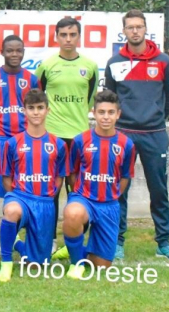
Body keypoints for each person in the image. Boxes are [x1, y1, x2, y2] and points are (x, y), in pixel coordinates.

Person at [103, 9, 169, 260]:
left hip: (154, 134)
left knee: (158, 189)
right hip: (123, 134)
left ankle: (163, 243)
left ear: (146, 29)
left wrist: (155, 116)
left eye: (139, 26)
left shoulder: (163, 61)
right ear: (124, 31)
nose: (135, 31)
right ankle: (117, 242)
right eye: (130, 27)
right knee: (119, 190)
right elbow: (110, 98)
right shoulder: (115, 62)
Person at [35, 17, 98, 259]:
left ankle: (75, 241)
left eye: (73, 35)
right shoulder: (47, 66)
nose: (68, 39)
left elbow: (89, 99)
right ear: (57, 37)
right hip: (52, 138)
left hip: (80, 138)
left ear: (79, 36)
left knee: (79, 192)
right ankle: (49, 240)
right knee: (50, 191)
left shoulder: (90, 66)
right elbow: (37, 98)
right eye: (64, 35)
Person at [62, 90, 136, 279]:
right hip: (84, 199)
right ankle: (76, 263)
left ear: (118, 114)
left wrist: (113, 196)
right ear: (93, 113)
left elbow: (125, 177)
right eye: (101, 112)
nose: (106, 117)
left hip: (109, 205)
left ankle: (75, 247)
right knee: (73, 213)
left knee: (101, 267)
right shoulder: (80, 140)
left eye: (111, 112)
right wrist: (79, 195)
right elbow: (72, 173)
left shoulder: (127, 144)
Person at [0, 89, 66, 282]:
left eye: (40, 108)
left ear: (47, 110)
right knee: (11, 211)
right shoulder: (12, 143)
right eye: (31, 108)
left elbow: (59, 178)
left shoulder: (58, 144)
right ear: (24, 111)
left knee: (37, 265)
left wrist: (47, 196)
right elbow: (7, 178)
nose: (36, 112)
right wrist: (16, 197)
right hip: (20, 197)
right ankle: (6, 263)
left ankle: (17, 244)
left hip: (44, 203)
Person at [0, 35, 40, 258]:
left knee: (22, 191)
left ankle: (16, 238)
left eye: (19, 50)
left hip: (24, 143)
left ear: (23, 52)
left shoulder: (32, 79)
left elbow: (37, 110)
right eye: (10, 50)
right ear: (2, 52)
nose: (15, 54)